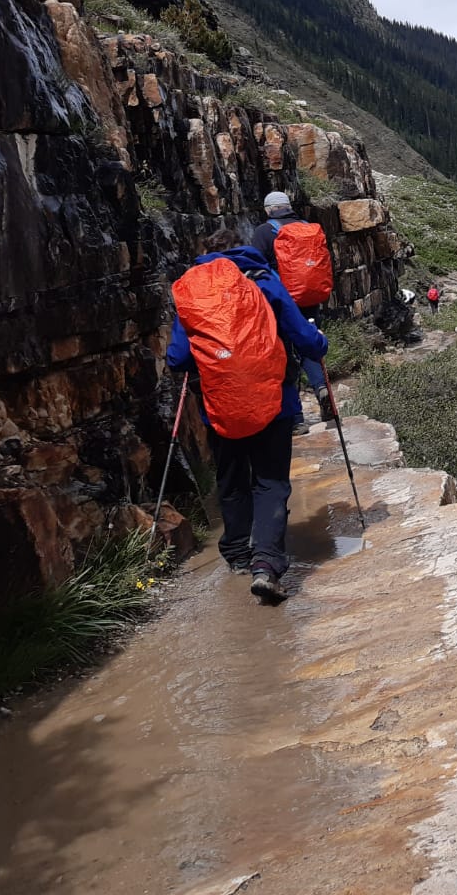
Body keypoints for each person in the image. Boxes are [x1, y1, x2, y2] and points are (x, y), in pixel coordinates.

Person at [168, 229, 328, 604]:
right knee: (271, 482)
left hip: (220, 407)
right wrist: (320, 342)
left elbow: (177, 358)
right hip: (274, 403)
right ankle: (266, 564)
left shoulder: (193, 290)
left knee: (231, 479)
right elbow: (304, 339)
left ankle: (238, 554)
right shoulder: (265, 280)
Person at [249, 191, 334, 420]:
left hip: (282, 301)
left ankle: (295, 418)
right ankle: (321, 388)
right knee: (309, 344)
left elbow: (255, 266)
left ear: (268, 210)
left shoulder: (265, 231)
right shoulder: (309, 227)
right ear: (288, 206)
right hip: (311, 298)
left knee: (284, 354)